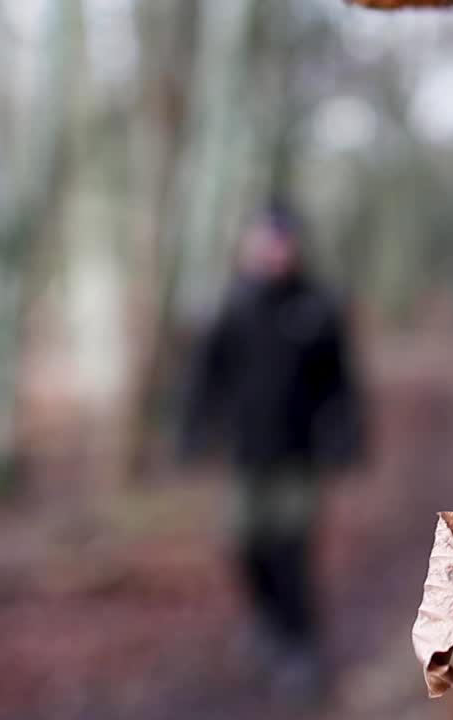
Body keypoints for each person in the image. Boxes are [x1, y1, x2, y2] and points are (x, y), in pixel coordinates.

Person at [179, 200, 364, 701]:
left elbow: (341, 381)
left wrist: (346, 435)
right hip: (246, 456)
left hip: (298, 456)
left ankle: (300, 648)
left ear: (297, 246)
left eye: (285, 241)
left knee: (291, 552)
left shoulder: (317, 306)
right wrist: (193, 429)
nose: (276, 251)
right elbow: (204, 375)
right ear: (252, 244)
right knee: (247, 547)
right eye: (268, 240)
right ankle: (266, 623)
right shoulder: (232, 305)